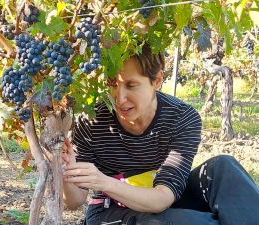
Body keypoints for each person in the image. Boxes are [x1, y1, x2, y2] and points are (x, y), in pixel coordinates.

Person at [62, 44, 259, 225]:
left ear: (157, 81)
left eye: (131, 85)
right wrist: (67, 171)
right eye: (112, 83)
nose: (119, 98)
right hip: (111, 210)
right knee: (192, 222)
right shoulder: (92, 121)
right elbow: (74, 201)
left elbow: (163, 198)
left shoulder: (182, 117)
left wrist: (103, 180)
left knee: (223, 166)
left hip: (162, 198)